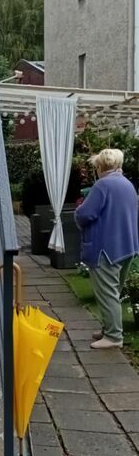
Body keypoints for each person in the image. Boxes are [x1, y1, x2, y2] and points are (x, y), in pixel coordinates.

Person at [74, 148, 139, 349]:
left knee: (107, 293)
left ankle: (113, 336)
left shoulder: (102, 185)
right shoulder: (128, 185)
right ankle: (108, 328)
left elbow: (85, 214)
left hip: (105, 249)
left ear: (100, 166)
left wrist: (77, 212)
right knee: (113, 292)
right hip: (127, 247)